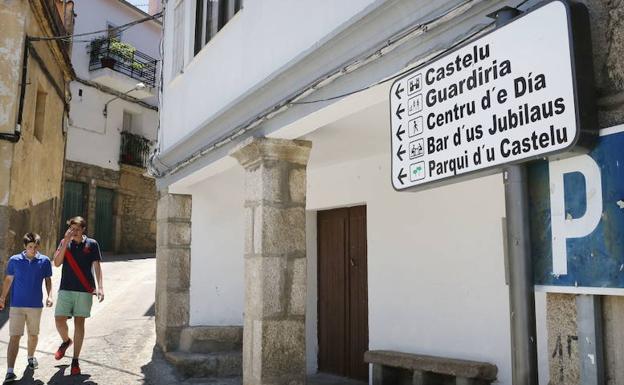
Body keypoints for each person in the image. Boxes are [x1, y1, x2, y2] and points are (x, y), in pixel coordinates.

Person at [53, 216, 104, 376]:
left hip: (84, 290)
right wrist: (65, 241)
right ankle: (66, 341)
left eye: (77, 229)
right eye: (71, 228)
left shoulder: (92, 244)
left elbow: (97, 266)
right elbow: (56, 263)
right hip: (66, 288)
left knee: (79, 324)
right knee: (59, 319)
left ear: (83, 230)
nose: (73, 232)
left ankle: (75, 360)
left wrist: (100, 287)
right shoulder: (64, 242)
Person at [0, 233, 53, 383]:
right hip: (17, 305)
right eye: (30, 247)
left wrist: (50, 295)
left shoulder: (44, 261)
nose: (33, 250)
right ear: (25, 246)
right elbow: (8, 280)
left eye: (36, 247)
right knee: (14, 337)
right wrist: (2, 298)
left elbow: (48, 280)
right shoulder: (14, 260)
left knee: (33, 335)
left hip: (35, 306)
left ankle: (30, 357)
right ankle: (10, 371)